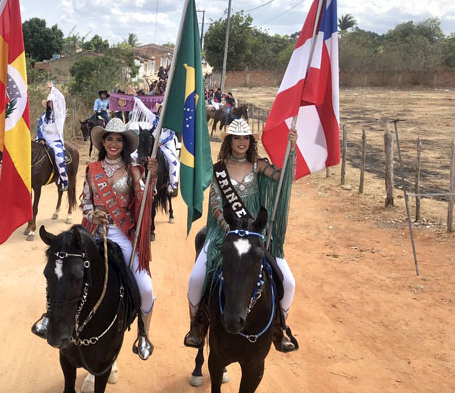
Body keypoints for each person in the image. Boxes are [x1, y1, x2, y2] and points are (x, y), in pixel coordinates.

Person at [32, 118, 158, 360]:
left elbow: (143, 201)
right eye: (109, 138)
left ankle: (143, 333)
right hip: (93, 232)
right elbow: (85, 201)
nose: (113, 143)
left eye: (118, 139)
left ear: (124, 144)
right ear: (102, 141)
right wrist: (92, 213)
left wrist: (150, 179)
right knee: (64, 269)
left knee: (146, 287)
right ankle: (49, 316)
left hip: (121, 234)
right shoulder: (92, 169)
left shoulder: (134, 170)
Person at [184, 118, 297, 352]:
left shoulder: (259, 165)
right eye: (237, 137)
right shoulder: (218, 170)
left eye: (246, 138)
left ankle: (279, 327)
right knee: (196, 279)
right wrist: (230, 229)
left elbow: (281, 176)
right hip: (224, 234)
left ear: (250, 142)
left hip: (256, 234)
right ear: (229, 141)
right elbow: (215, 202)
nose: (241, 142)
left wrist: (291, 150)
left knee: (288, 281)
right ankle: (197, 325)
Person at [37, 81, 69, 191]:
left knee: (59, 158)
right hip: (43, 138)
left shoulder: (59, 114)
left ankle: (64, 180)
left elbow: (62, 99)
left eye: (52, 102)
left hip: (55, 139)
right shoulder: (43, 116)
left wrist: (53, 88)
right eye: (49, 103)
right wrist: (40, 137)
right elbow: (39, 127)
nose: (51, 105)